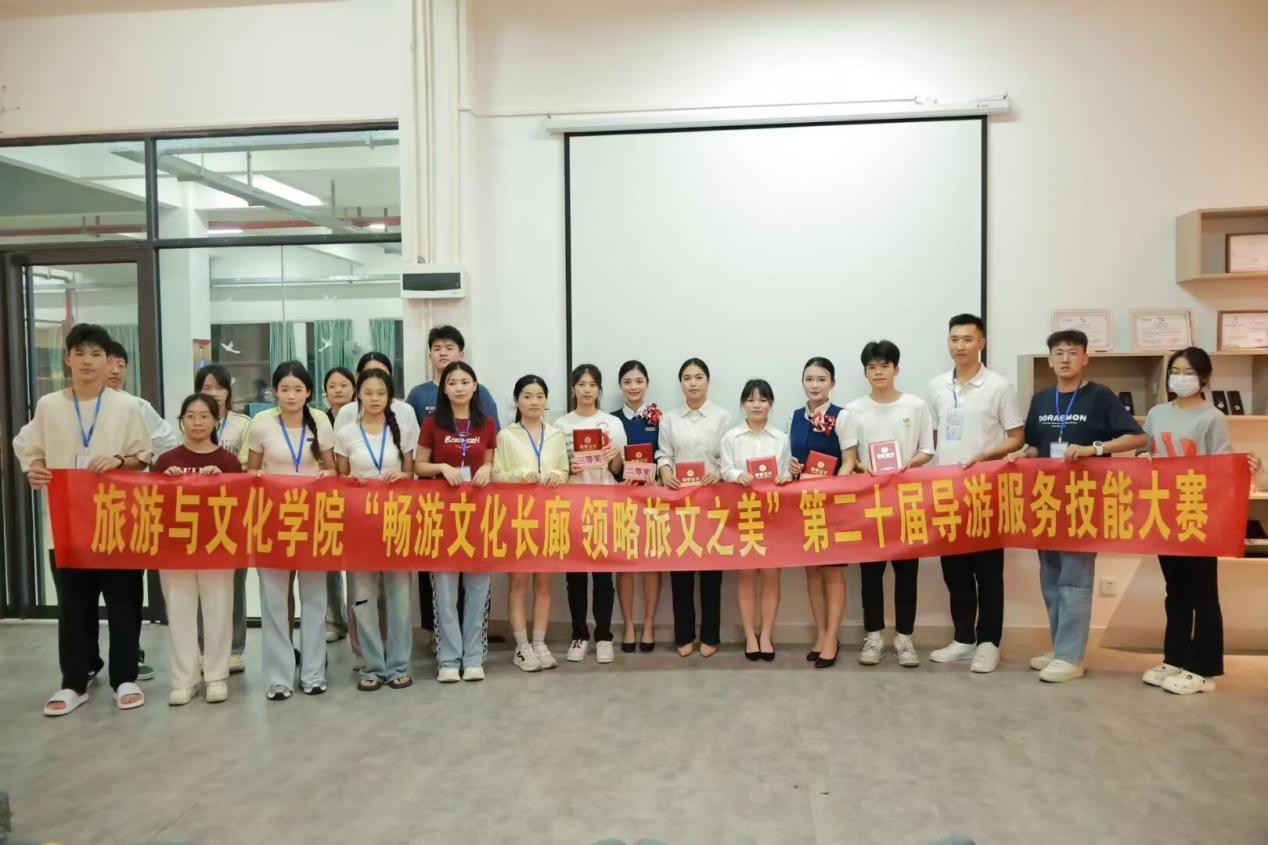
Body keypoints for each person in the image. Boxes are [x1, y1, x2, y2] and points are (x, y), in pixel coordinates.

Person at [14, 323, 152, 716]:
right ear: (67, 360)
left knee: (124, 603)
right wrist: (35, 469)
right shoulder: (48, 406)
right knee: (73, 606)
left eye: (96, 354)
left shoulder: (128, 406)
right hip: (68, 525)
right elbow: (30, 448)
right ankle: (74, 682)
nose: (88, 361)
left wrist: (119, 461)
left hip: (117, 522)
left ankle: (125, 678)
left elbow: (143, 456)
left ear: (109, 362)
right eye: (80, 353)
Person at [1008, 329, 1146, 683]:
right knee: (1051, 577)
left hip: (1083, 501)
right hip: (1047, 500)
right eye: (1058, 352)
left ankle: (1071, 657)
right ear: (1050, 360)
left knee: (1075, 580)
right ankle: (1060, 648)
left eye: (1072, 352)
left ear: (1085, 358)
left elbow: (1137, 436)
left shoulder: (1100, 396)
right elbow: (1037, 445)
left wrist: (1095, 449)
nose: (1065, 358)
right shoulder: (1041, 400)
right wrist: (1023, 454)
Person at [1140, 346, 1246, 695]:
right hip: (1164, 513)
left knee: (1203, 593)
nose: (1180, 378)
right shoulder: (1157, 413)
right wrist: (1142, 457)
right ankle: (1175, 657)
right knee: (1175, 591)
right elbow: (1147, 451)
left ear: (1203, 378)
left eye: (1188, 372)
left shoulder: (1211, 417)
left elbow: (1223, 466)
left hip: (1198, 513)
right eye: (1175, 371)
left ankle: (1204, 668)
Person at [926, 315, 1024, 674]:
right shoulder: (936, 386)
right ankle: (964, 638)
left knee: (988, 571)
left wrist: (984, 456)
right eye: (954, 339)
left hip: (985, 490)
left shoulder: (999, 386)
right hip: (946, 491)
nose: (960, 346)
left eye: (967, 339)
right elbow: (934, 437)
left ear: (982, 343)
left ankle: (988, 643)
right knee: (955, 570)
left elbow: (1017, 437)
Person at [246, 361, 336, 700]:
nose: (291, 395)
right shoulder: (261, 423)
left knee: (314, 599)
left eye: (298, 389)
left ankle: (313, 673)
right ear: (275, 392)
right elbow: (251, 472)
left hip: (312, 519)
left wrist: (327, 476)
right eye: (284, 389)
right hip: (272, 520)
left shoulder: (321, 421)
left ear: (308, 392)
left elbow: (332, 468)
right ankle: (278, 677)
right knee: (273, 600)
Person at [405, 326, 499, 637]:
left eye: (449, 347)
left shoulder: (484, 409)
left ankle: (473, 641)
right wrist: (440, 467)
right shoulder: (421, 400)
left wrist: (488, 467)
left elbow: (491, 451)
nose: (443, 353)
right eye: (437, 348)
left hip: (477, 504)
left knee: (475, 575)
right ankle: (441, 639)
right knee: (439, 576)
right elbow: (417, 456)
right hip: (437, 502)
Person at [847, 340, 935, 669]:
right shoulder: (853, 410)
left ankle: (904, 639)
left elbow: (928, 450)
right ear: (865, 373)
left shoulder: (916, 406)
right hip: (869, 501)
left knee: (906, 573)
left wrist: (909, 463)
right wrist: (863, 467)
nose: (878, 372)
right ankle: (873, 636)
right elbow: (851, 457)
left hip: (907, 500)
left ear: (896, 369)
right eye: (872, 367)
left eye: (884, 366)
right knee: (870, 573)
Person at [153, 393, 243, 705]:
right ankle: (184, 680)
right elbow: (151, 505)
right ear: (181, 421)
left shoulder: (228, 462)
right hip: (175, 547)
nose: (197, 422)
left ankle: (216, 676)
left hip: (217, 545)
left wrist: (223, 482)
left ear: (216, 421)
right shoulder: (166, 461)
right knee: (179, 612)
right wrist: (165, 483)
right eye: (190, 416)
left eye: (205, 416)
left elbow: (241, 507)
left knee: (218, 610)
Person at [332, 355, 421, 662]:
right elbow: (340, 477)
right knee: (363, 595)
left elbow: (411, 473)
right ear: (358, 395)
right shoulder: (346, 433)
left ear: (390, 396)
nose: (374, 398)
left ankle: (398, 662)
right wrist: (349, 479)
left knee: (398, 595)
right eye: (368, 393)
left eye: (381, 393)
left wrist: (403, 476)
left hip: (396, 520)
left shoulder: (403, 429)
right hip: (359, 522)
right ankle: (370, 662)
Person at [415, 361, 497, 682]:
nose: (459, 388)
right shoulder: (432, 423)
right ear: (444, 389)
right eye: (452, 383)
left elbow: (489, 461)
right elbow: (419, 465)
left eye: (465, 382)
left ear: (475, 386)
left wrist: (488, 468)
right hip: (442, 516)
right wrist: (441, 468)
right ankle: (448, 658)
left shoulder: (487, 424)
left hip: (478, 516)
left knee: (477, 588)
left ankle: (474, 656)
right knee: (445, 591)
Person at [105, 339, 180, 682]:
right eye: (109, 362)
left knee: (126, 586)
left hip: (126, 508)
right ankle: (85, 660)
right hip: (79, 508)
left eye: (121, 364)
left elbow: (167, 444)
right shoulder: (66, 407)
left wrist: (143, 462)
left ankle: (129, 656)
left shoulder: (136, 406)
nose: (115, 370)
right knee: (80, 590)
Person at [493, 375, 569, 672]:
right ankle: (521, 646)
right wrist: (518, 475)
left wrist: (557, 476)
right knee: (519, 582)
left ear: (546, 400)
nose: (534, 402)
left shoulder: (556, 434)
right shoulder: (506, 435)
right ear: (516, 401)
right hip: (518, 517)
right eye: (527, 396)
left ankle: (539, 642)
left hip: (549, 516)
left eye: (539, 396)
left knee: (545, 582)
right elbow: (496, 475)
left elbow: (564, 470)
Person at [656, 357, 732, 657]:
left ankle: (710, 635)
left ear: (708, 381)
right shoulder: (669, 418)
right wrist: (665, 473)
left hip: (712, 500)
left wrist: (721, 471)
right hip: (679, 501)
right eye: (687, 378)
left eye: (698, 377)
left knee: (711, 570)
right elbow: (664, 454)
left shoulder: (723, 417)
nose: (693, 383)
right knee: (681, 571)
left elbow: (729, 456)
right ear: (681, 384)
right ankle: (683, 635)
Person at [788, 356, 859, 668]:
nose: (814, 385)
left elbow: (849, 462)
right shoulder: (795, 417)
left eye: (821, 379)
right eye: (809, 379)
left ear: (832, 383)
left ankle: (832, 637)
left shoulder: (842, 416)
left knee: (833, 571)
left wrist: (833, 489)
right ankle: (820, 634)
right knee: (812, 570)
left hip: (833, 505)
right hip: (805, 505)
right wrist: (792, 467)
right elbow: (793, 460)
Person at [555, 364, 626, 664]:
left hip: (604, 506)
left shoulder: (612, 423)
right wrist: (568, 467)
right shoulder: (560, 424)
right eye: (582, 384)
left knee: (603, 575)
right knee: (575, 575)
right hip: (572, 507)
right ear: (573, 388)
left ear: (599, 389)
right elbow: (556, 468)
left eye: (593, 384)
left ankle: (605, 636)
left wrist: (614, 456)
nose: (587, 389)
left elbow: (619, 471)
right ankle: (579, 635)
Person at [720, 379, 792, 661]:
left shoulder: (781, 438)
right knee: (746, 575)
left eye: (762, 400)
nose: (757, 405)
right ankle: (750, 635)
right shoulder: (731, 437)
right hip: (743, 514)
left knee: (772, 575)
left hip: (774, 516)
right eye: (750, 400)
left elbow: (788, 469)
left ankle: (766, 635)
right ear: (743, 404)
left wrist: (786, 476)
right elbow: (724, 468)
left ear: (771, 404)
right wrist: (737, 475)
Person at [193, 365, 252, 674]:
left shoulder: (243, 425)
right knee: (201, 584)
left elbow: (245, 466)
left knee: (235, 583)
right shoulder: (193, 422)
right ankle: (205, 648)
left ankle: (235, 648)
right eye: (206, 387)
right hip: (199, 514)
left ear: (228, 391)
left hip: (233, 513)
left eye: (218, 387)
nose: (213, 393)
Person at [611, 360, 663, 652]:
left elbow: (665, 456)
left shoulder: (660, 418)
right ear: (620, 386)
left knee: (652, 563)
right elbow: (612, 465)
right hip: (623, 500)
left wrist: (659, 476)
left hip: (653, 500)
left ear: (647, 384)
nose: (633, 387)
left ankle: (650, 624)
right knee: (626, 565)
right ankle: (629, 624)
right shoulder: (611, 420)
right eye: (628, 382)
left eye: (639, 381)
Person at [321, 365, 357, 644]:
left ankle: (358, 625)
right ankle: (336, 620)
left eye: (344, 385)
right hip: (325, 499)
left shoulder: (361, 418)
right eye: (332, 386)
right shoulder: (318, 419)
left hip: (355, 498)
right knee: (329, 562)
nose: (338, 390)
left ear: (354, 389)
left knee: (357, 564)